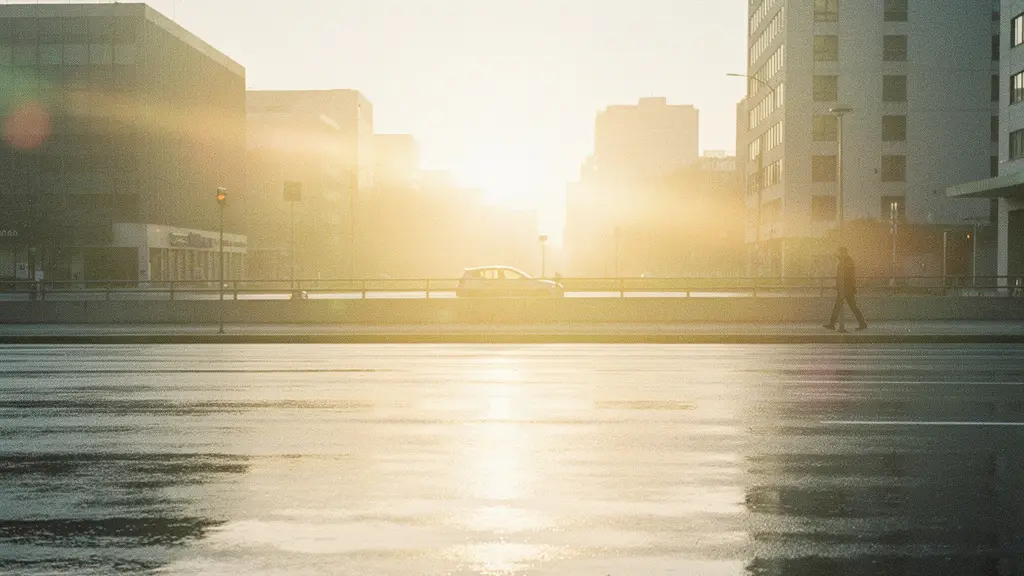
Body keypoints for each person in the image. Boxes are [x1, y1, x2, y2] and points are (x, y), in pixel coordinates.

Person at [823, 246, 867, 331]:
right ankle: (832, 324)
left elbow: (848, 274)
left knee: (851, 307)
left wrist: (849, 286)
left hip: (847, 288)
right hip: (843, 288)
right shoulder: (844, 260)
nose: (838, 254)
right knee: (839, 306)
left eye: (839, 252)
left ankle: (862, 324)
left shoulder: (848, 261)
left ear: (843, 252)